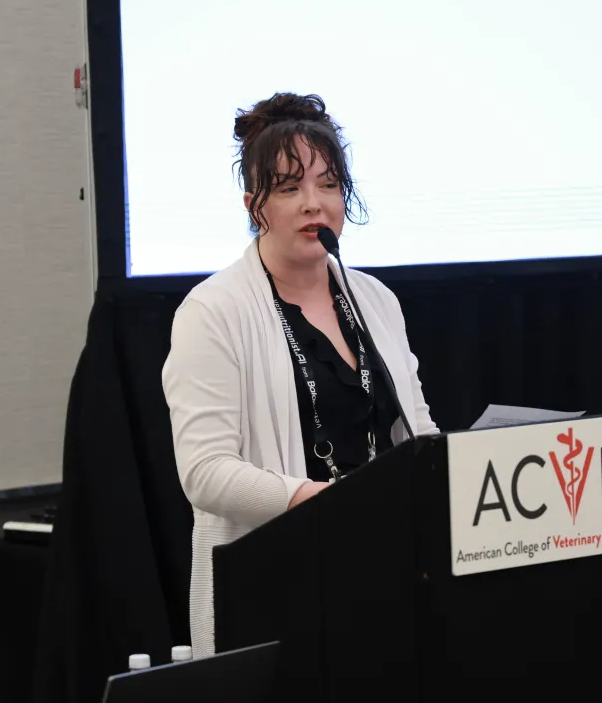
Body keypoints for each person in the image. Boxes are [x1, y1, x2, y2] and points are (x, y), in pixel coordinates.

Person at [161, 92, 438, 657]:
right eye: (289, 188)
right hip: (275, 583)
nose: (315, 203)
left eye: (329, 185)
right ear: (255, 206)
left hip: (387, 571)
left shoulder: (376, 300)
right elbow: (206, 473)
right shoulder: (213, 312)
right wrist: (322, 500)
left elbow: (418, 434)